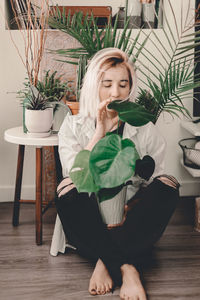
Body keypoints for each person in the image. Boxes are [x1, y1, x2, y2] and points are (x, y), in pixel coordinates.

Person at [52, 48, 180, 300]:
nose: (115, 93)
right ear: (93, 87)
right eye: (107, 84)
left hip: (130, 218)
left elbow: (157, 176)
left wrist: (131, 206)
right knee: (66, 189)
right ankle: (127, 266)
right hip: (91, 217)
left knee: (169, 184)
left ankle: (106, 260)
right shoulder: (73, 125)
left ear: (130, 87)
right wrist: (99, 133)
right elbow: (76, 176)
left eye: (123, 84)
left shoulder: (142, 126)